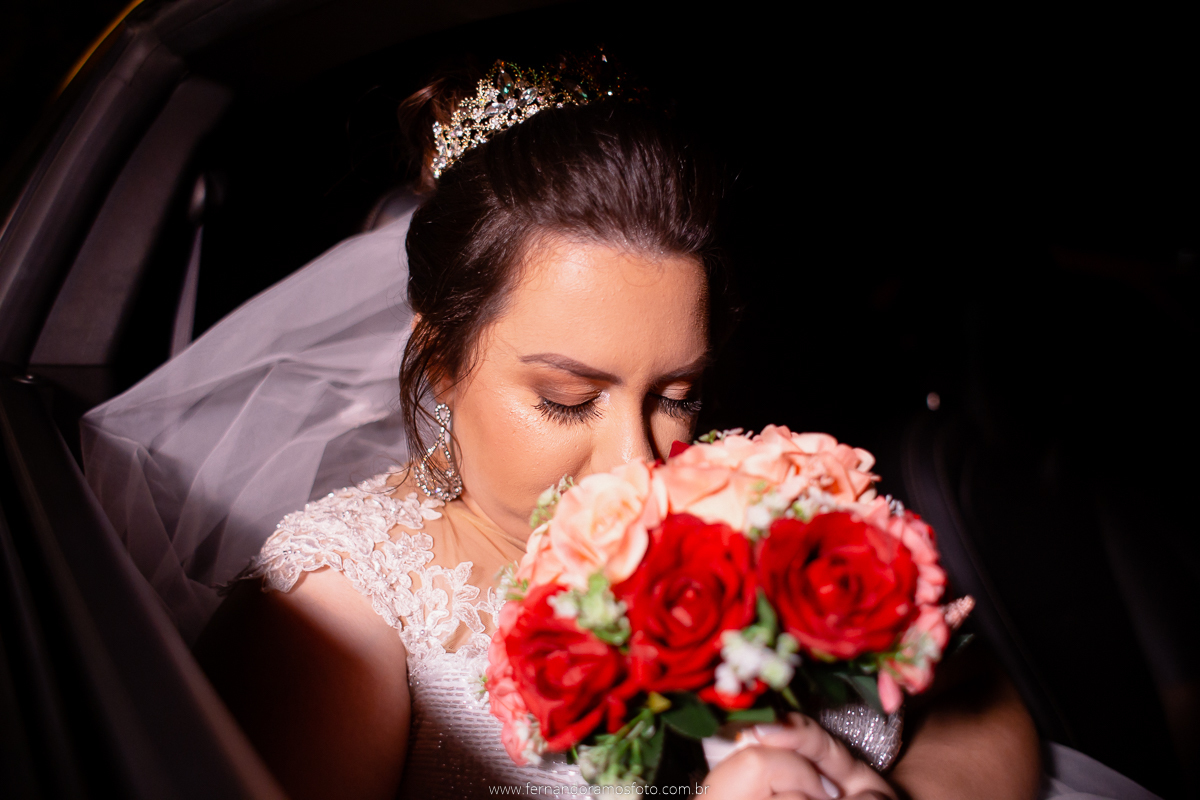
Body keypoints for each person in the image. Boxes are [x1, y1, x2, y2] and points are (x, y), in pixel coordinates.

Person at [85, 59, 1149, 800]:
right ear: (442, 355)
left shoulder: (739, 495)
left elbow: (976, 699)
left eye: (677, 391)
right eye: (565, 396)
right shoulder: (339, 624)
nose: (640, 460)